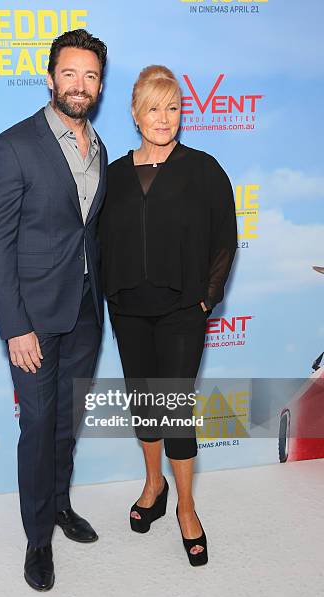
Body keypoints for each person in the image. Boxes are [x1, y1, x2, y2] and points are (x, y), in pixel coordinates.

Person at [0, 29, 108, 591]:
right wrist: (15, 326)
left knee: (65, 423)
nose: (80, 86)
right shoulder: (13, 145)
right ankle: (37, 540)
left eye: (91, 76)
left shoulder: (98, 146)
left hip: (84, 308)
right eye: (70, 73)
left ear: (99, 84)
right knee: (35, 426)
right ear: (50, 76)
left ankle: (60, 505)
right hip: (31, 317)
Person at [98, 65, 237, 566]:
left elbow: (225, 237)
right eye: (154, 107)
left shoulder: (204, 169)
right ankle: (153, 485)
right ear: (136, 114)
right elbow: (97, 241)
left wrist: (208, 297)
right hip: (129, 310)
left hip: (182, 311)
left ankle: (187, 507)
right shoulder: (111, 175)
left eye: (173, 107)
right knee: (145, 403)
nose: (164, 118)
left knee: (173, 406)